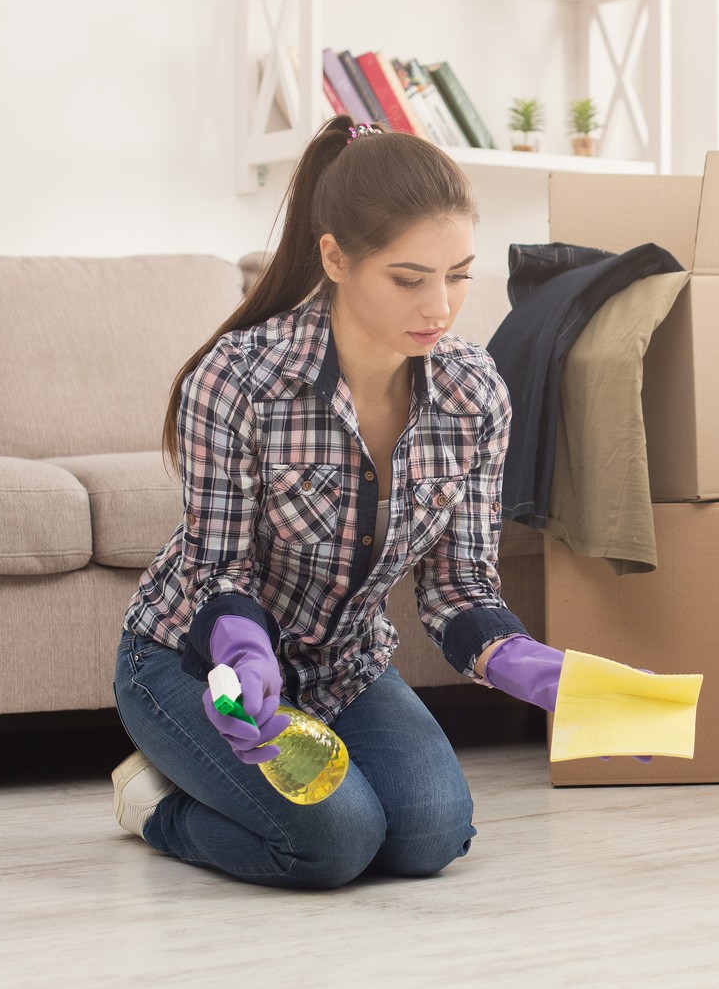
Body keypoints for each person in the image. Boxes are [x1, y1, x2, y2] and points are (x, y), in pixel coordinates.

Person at [110, 117, 623, 890]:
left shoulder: (473, 390)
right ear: (336, 258)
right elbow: (218, 572)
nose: (441, 306)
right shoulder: (240, 379)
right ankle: (154, 802)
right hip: (194, 663)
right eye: (409, 277)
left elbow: (460, 587)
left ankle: (238, 783)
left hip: (342, 667)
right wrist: (244, 655)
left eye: (458, 274)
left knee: (431, 836)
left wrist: (534, 666)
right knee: (334, 842)